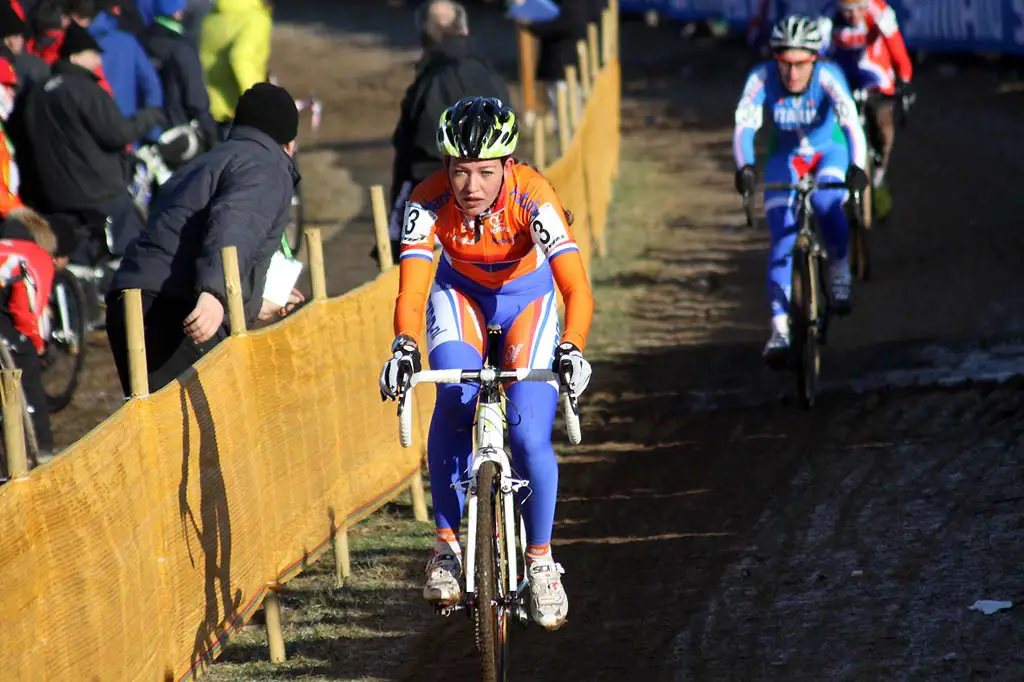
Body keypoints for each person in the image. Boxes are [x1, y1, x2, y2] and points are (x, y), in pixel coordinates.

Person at [378, 96, 594, 631]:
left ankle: (541, 561)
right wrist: (404, 346)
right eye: (460, 171)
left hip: (530, 303)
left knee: (526, 435)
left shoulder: (533, 196)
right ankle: (448, 548)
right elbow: (410, 291)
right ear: (445, 167)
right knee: (453, 397)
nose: (470, 186)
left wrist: (573, 346)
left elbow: (575, 287)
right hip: (461, 299)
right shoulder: (426, 204)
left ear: (507, 166)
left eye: (484, 172)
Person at [105, 82, 302, 396]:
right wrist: (216, 294)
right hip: (173, 309)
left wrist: (254, 300)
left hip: (131, 302)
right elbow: (235, 224)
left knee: (157, 435)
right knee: (206, 435)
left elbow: (189, 237)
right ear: (289, 144)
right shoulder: (267, 166)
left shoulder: (208, 162)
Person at [732, 16, 868, 367]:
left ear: (815, 60)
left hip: (829, 151)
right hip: (786, 157)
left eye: (800, 64)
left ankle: (839, 271)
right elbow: (744, 126)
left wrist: (857, 169)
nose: (792, 74)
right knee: (782, 238)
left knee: (827, 201)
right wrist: (745, 167)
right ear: (774, 59)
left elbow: (852, 125)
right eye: (785, 64)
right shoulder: (760, 77)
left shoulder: (828, 76)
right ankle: (779, 327)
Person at [18, 22, 165, 258]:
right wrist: (149, 116)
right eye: (93, 55)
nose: (98, 62)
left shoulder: (37, 93)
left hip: (54, 195)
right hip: (99, 191)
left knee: (77, 256)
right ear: (75, 57)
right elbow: (117, 134)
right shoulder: (86, 90)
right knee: (132, 254)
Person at [384, 0, 510, 263]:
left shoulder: (430, 81)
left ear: (424, 37)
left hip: (437, 205)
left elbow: (412, 151)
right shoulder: (488, 72)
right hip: (493, 199)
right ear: (464, 30)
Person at [826, 0, 913, 220]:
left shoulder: (880, 12)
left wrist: (904, 80)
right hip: (843, 76)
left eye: (858, 9)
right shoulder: (827, 15)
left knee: (883, 126)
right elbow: (818, 55)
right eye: (846, 10)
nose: (852, 15)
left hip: (874, 75)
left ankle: (879, 177)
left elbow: (898, 51)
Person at [0, 213, 77, 459]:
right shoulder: (38, 258)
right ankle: (40, 452)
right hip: (9, 325)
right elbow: (27, 307)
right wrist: (35, 342)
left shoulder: (7, 248)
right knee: (28, 373)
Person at [78, 0, 163, 141]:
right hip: (130, 130)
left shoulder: (74, 49)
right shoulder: (126, 41)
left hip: (94, 138)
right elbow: (151, 85)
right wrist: (153, 132)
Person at [143, 0, 218, 148]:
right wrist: (212, 134)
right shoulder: (181, 48)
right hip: (179, 132)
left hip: (146, 128)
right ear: (177, 12)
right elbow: (196, 99)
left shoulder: (140, 41)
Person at [198, 0, 271, 134]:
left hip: (207, 107)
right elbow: (240, 59)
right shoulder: (256, 19)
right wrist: (260, 104)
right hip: (234, 111)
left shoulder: (212, 15)